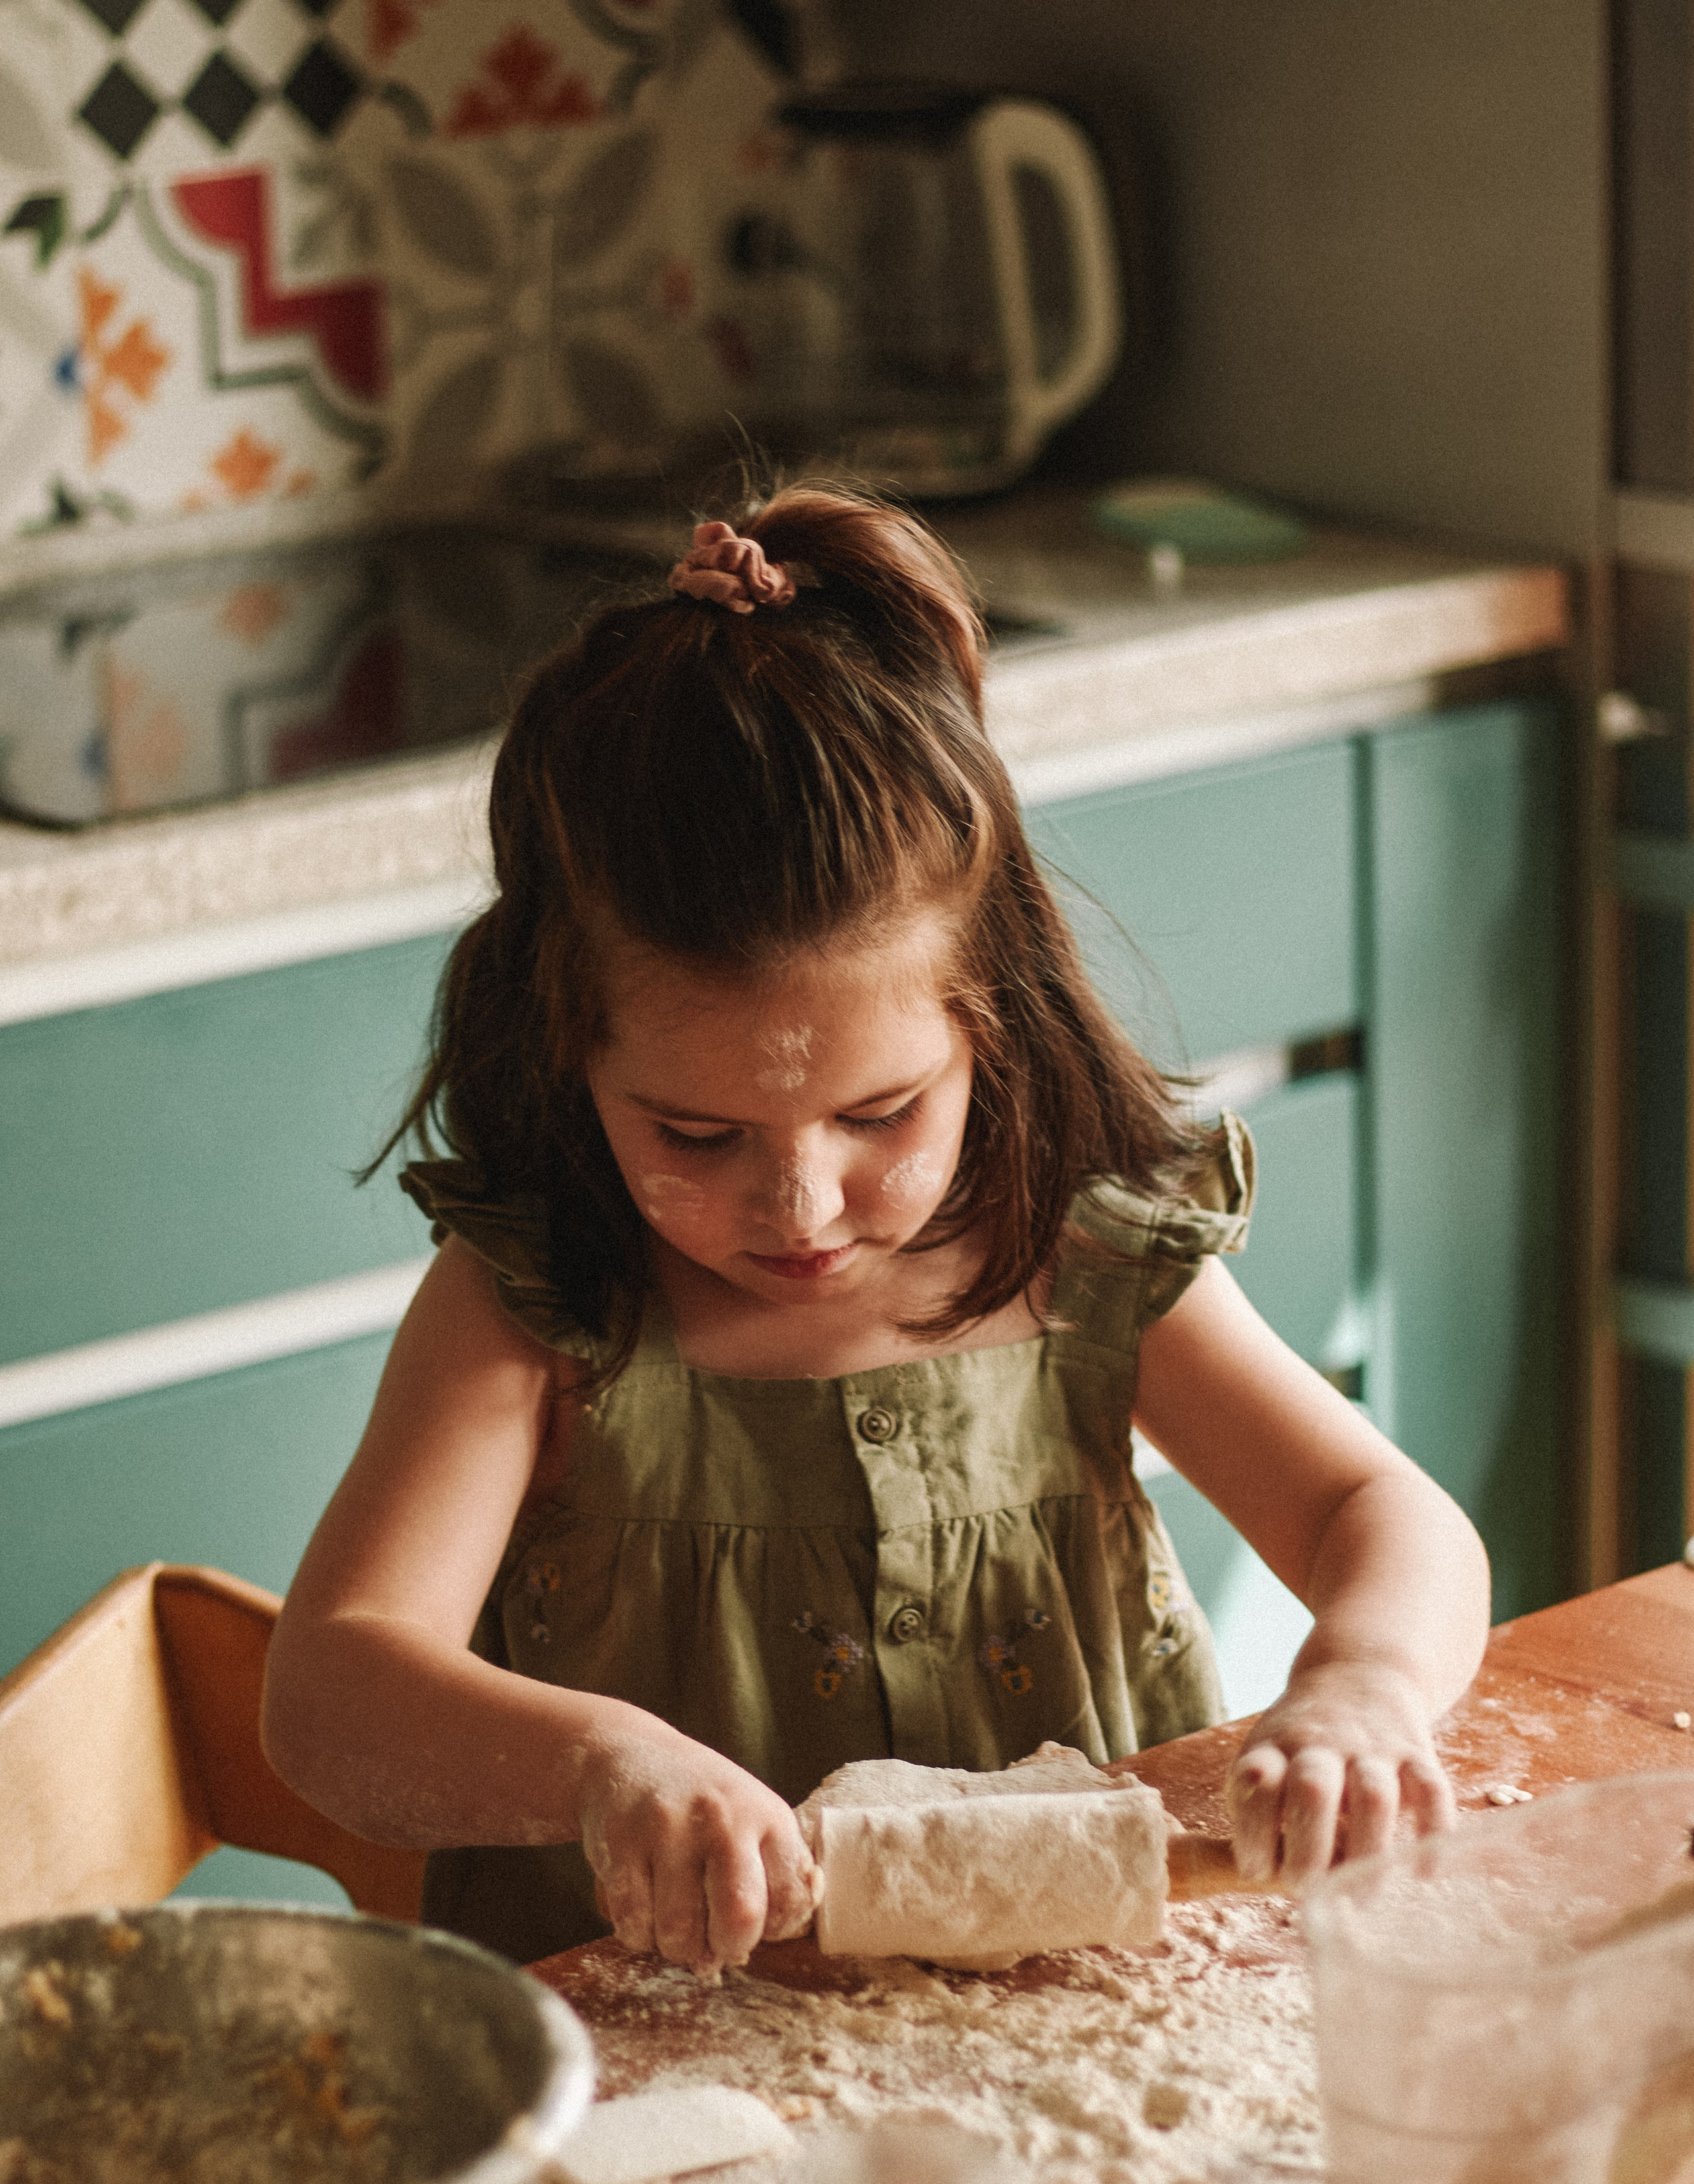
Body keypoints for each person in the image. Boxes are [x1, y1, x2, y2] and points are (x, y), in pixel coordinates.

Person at [262, 483, 1490, 1976]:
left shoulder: (1084, 1264)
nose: (798, 1205)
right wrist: (599, 1763)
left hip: (1084, 2022)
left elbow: (1380, 1516)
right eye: (693, 1136)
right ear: (561, 1052)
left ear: (994, 1022)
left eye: (881, 1114)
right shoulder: (532, 1314)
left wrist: (1361, 1682)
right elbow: (331, 1698)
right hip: (665, 2073)